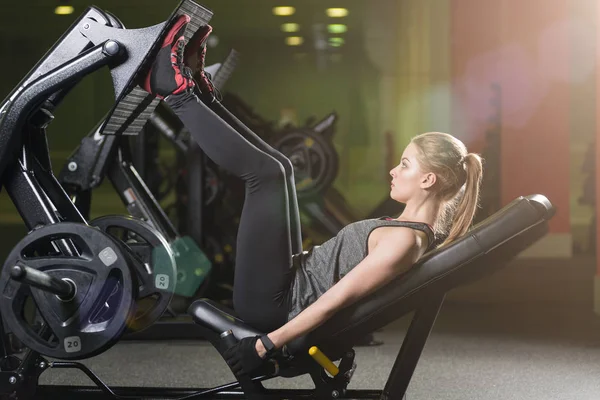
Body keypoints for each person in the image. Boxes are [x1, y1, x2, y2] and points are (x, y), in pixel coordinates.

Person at [142, 15, 484, 376]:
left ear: (429, 179)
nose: (393, 171)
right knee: (282, 170)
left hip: (276, 302)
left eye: (405, 164)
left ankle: (175, 92)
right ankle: (197, 90)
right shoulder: (408, 231)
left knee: (265, 176)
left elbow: (336, 301)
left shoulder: (404, 242)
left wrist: (265, 345)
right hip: (287, 281)